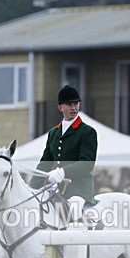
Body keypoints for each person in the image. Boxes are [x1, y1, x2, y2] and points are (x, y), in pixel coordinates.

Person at [30, 85, 98, 221]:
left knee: (74, 211)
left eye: (76, 104)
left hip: (79, 188)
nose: (74, 108)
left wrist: (62, 172)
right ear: (60, 107)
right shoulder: (53, 133)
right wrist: (31, 187)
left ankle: (82, 242)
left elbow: (87, 164)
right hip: (57, 189)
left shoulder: (87, 132)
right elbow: (45, 163)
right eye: (69, 104)